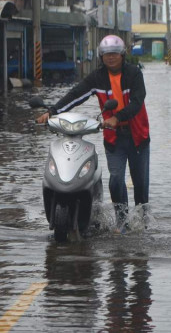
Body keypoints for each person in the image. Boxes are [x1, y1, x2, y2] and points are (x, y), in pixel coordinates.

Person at [36, 35, 150, 231]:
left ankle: (142, 224)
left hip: (137, 136)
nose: (111, 58)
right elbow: (75, 95)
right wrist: (52, 112)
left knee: (140, 185)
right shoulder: (98, 77)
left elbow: (137, 102)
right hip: (114, 139)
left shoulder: (134, 74)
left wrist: (117, 118)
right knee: (115, 180)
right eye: (106, 54)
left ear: (122, 55)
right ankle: (122, 222)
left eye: (115, 54)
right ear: (101, 56)